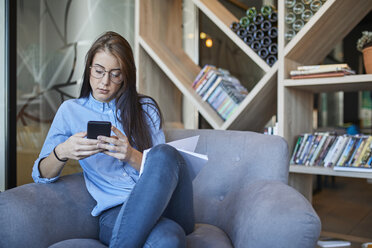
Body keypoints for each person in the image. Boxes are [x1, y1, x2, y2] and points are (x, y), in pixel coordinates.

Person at [32, 31, 194, 248]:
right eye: (98, 71)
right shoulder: (70, 111)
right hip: (116, 212)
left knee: (165, 154)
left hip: (165, 206)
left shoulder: (145, 109)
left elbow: (161, 170)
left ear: (126, 76)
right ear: (89, 69)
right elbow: (41, 175)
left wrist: (130, 155)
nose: (104, 82)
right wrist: (62, 151)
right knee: (169, 239)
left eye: (115, 74)